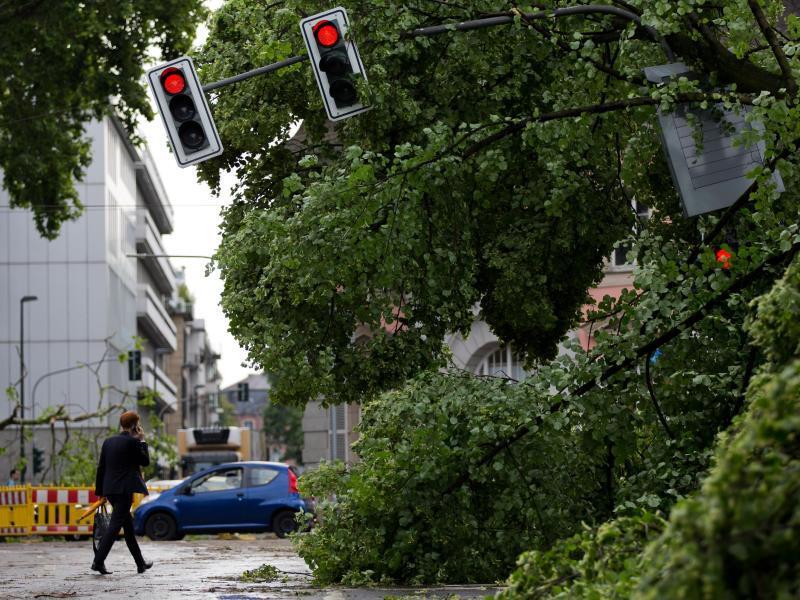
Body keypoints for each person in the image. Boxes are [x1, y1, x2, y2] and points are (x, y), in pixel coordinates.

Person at [91, 410, 153, 575]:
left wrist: (100, 491)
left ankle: (140, 563)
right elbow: (145, 461)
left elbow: (101, 468)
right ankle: (98, 561)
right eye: (137, 424)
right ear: (134, 425)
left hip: (110, 489)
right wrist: (142, 441)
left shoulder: (108, 442)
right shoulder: (132, 443)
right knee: (114, 526)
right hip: (124, 490)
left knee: (128, 527)